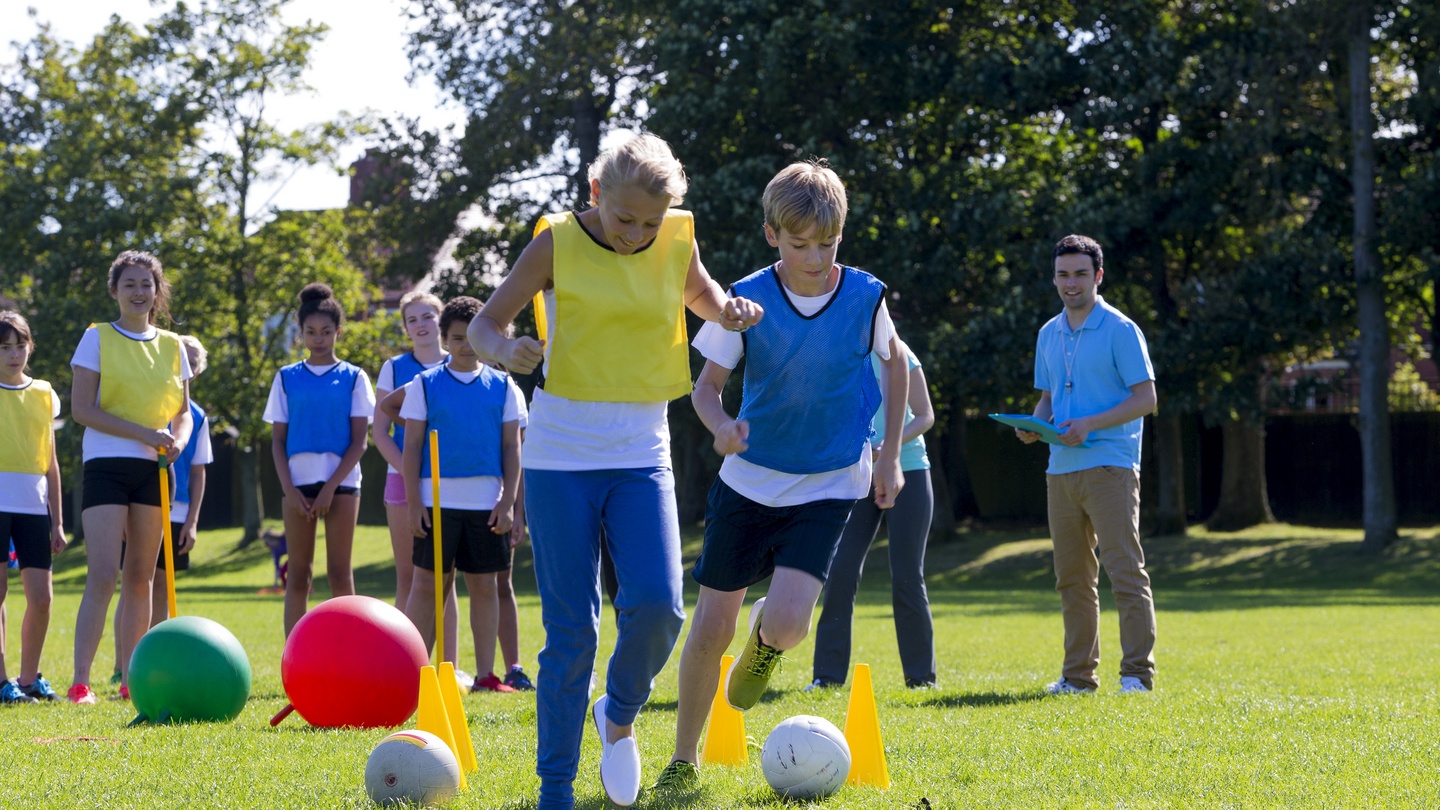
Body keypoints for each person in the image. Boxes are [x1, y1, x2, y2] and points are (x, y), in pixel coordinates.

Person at [466, 133, 762, 809]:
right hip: (559, 456)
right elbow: (485, 325)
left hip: (640, 454)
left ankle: (618, 711)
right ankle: (556, 791)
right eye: (625, 218)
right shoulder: (556, 243)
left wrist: (733, 311)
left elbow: (707, 300)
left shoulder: (674, 240)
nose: (636, 234)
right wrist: (505, 348)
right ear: (597, 195)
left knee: (659, 608)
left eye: (650, 223)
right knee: (573, 631)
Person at [656, 160, 907, 791]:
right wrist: (720, 427)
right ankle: (685, 757)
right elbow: (707, 388)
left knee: (792, 623)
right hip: (750, 481)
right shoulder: (743, 300)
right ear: (773, 235)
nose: (815, 257)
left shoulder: (866, 296)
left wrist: (890, 453)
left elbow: (896, 368)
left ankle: (766, 643)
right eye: (800, 245)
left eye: (827, 244)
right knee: (712, 626)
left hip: (830, 482)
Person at [1016, 233, 1157, 695]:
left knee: (1124, 571)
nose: (1070, 283)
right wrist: (1033, 426)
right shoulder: (1047, 333)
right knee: (1072, 579)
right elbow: (1047, 399)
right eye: (1062, 274)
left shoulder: (1120, 329)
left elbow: (1146, 398)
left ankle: (1136, 673)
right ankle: (1078, 678)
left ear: (1098, 276)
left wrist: (1090, 424)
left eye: (1080, 274)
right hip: (1060, 470)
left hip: (1111, 467)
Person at [68, 251, 195, 703]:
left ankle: (130, 680)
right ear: (114, 291)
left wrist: (177, 440)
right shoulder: (96, 338)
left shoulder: (174, 345)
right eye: (130, 285)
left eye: (147, 284)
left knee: (140, 575)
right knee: (103, 573)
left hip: (156, 470)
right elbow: (83, 410)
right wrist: (144, 433)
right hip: (105, 465)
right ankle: (81, 681)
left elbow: (182, 414)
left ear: (157, 291)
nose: (139, 292)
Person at [387, 296, 525, 694]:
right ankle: (411, 674)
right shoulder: (424, 385)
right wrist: (414, 504)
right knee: (427, 587)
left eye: (473, 338)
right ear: (445, 341)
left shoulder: (504, 386)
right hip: (434, 505)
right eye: (458, 339)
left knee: (484, 587)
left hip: (486, 505)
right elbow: (411, 447)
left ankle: (486, 675)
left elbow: (512, 449)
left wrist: (508, 503)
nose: (466, 346)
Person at [809, 335, 938, 691]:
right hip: (858, 475)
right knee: (840, 571)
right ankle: (827, 677)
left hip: (908, 470)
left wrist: (889, 447)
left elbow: (925, 415)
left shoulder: (903, 355)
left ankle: (921, 678)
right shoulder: (840, 355)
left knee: (908, 575)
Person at [263, 283, 375, 636]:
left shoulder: (355, 377)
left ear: (338, 332)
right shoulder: (285, 378)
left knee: (340, 573)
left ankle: (352, 656)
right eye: (311, 332)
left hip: (341, 486)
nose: (319, 338)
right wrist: (291, 491)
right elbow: (277, 443)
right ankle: (294, 660)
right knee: (298, 575)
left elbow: (360, 443)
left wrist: (329, 489)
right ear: (301, 334)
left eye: (326, 331)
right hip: (296, 485)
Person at [373, 290, 467, 686]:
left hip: (454, 488)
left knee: (448, 578)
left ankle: (449, 668)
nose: (422, 324)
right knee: (410, 577)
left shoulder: (458, 363)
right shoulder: (394, 368)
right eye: (413, 319)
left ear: (440, 320)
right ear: (406, 328)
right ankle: (404, 669)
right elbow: (381, 432)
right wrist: (413, 477)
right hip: (404, 485)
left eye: (429, 315)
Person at [112, 335, 214, 680]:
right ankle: (122, 663)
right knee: (136, 580)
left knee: (160, 584)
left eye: (191, 362)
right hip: (143, 501)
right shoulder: (148, 405)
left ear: (195, 371)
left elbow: (199, 471)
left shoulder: (197, 417)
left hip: (178, 508)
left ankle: (153, 657)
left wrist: (193, 521)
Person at [0, 311, 67, 703]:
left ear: (30, 347)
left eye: (19, 345)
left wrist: (57, 521)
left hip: (33, 507)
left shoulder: (45, 393)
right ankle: (2, 682)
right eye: (4, 346)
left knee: (41, 598)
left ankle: (29, 680)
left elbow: (51, 461)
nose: (13, 354)